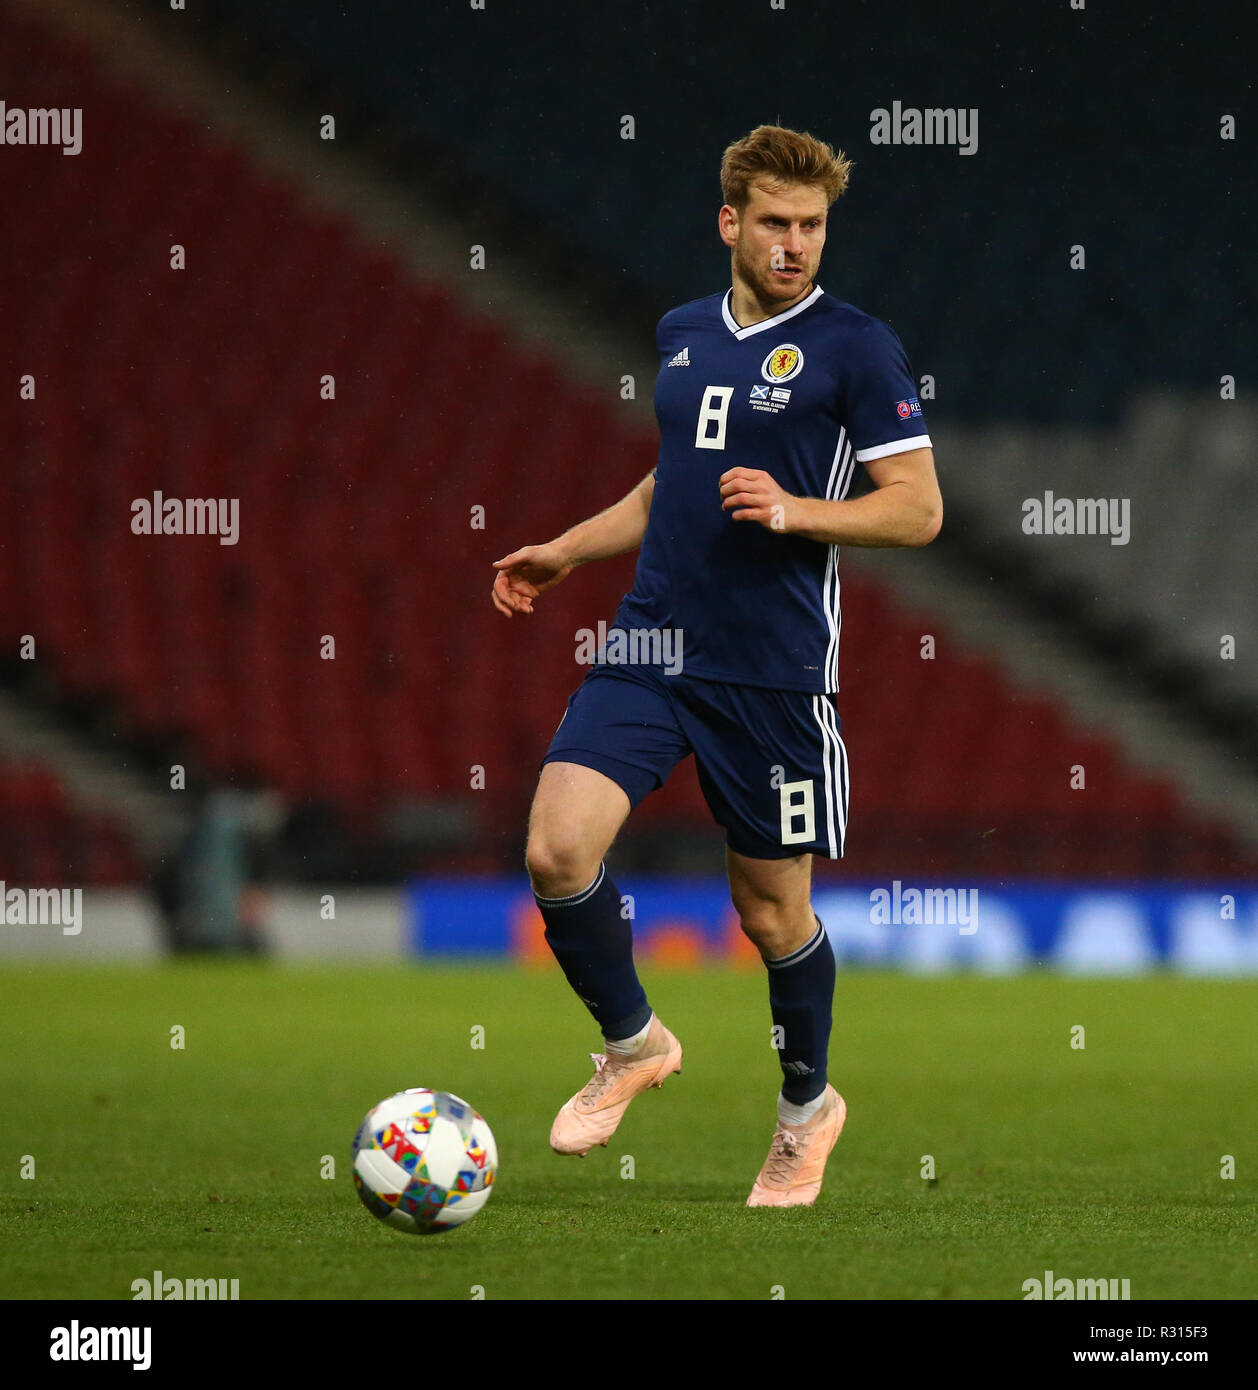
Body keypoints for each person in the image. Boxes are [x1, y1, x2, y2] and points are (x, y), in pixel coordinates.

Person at [491, 124, 941, 1206]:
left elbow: (918, 510)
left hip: (772, 672)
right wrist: (566, 546)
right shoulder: (685, 331)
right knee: (556, 849)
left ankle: (804, 1114)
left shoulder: (855, 347)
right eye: (776, 223)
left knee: (770, 916)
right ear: (730, 223)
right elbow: (669, 488)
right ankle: (634, 1042)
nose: (795, 244)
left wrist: (794, 510)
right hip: (652, 643)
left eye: (813, 226)